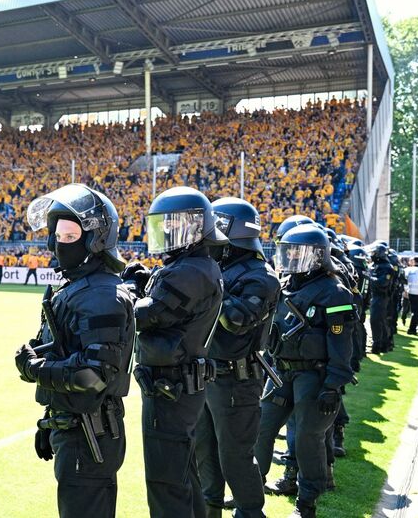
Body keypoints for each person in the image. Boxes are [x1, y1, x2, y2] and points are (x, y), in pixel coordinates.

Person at [14, 184, 135, 517]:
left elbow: (93, 375)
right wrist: (49, 421)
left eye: (69, 236)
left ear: (95, 240)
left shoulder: (102, 295)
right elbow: (64, 351)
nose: (57, 243)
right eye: (56, 235)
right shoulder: (78, 288)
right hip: (73, 426)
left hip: (90, 434)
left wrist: (34, 369)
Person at [132, 186, 226, 518]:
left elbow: (147, 315)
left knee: (165, 482)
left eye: (174, 224)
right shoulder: (196, 266)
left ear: (196, 228)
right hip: (179, 386)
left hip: (170, 388)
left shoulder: (189, 270)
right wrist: (143, 283)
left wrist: (127, 293)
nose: (167, 231)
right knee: (183, 474)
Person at [253, 225, 356, 518]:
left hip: (314, 375)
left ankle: (306, 502)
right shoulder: (286, 285)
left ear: (318, 257)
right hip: (281, 371)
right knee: (261, 427)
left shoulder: (335, 293)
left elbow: (341, 345)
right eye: (290, 251)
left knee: (308, 440)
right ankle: (251, 492)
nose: (292, 256)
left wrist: (333, 386)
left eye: (299, 252)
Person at [194, 197, 279, 518]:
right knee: (204, 452)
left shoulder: (262, 276)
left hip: (237, 379)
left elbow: (238, 320)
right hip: (206, 374)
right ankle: (210, 508)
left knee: (235, 456)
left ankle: (250, 511)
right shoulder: (217, 269)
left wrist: (208, 284)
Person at [368, 243, 395, 353]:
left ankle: (378, 345)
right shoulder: (376, 265)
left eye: (374, 253)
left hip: (381, 297)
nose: (372, 255)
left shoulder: (387, 267)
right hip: (375, 296)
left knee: (377, 321)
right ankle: (382, 344)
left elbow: (382, 283)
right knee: (378, 321)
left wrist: (369, 277)